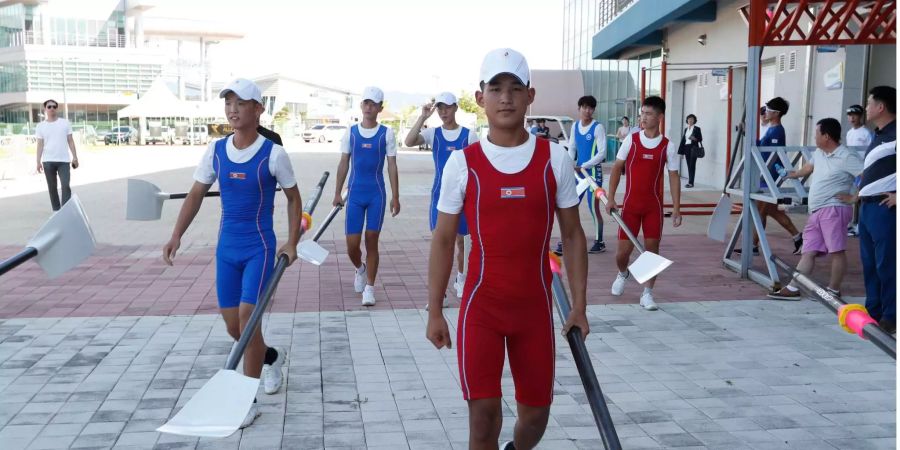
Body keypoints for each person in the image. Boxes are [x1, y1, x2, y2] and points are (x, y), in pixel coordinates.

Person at [426, 48, 588, 450]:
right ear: (479, 98)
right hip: (481, 308)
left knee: (535, 419)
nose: (506, 98)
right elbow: (444, 240)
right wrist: (434, 311)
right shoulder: (462, 164)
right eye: (495, 88)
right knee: (484, 419)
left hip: (534, 309)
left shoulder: (555, 158)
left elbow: (573, 235)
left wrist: (580, 306)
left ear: (530, 96)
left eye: (515, 88)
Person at [162, 78, 300, 428]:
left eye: (241, 103)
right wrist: (177, 234)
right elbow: (195, 195)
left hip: (260, 248)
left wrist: (292, 241)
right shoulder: (216, 150)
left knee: (247, 322)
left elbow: (294, 198)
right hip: (226, 250)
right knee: (234, 328)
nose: (232, 109)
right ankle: (271, 357)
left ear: (258, 109)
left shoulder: (274, 153)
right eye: (228, 103)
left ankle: (246, 401)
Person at [768, 118, 863, 300]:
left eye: (817, 133)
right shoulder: (819, 153)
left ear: (826, 136)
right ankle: (794, 288)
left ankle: (833, 290)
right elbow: (807, 169)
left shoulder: (847, 156)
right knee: (808, 250)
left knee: (837, 250)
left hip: (834, 209)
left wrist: (853, 198)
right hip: (816, 211)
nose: (814, 136)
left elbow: (866, 176)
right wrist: (791, 174)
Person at [605, 96, 682, 311]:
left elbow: (674, 177)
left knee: (651, 252)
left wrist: (676, 208)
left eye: (648, 114)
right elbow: (617, 169)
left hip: (653, 208)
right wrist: (611, 198)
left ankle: (647, 293)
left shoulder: (668, 146)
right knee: (622, 254)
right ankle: (623, 273)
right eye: (642, 113)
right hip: (630, 206)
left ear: (659, 117)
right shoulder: (631, 140)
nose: (643, 117)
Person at [404, 92, 478, 304]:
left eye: (447, 107)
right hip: (440, 195)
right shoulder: (433, 134)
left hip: (464, 196)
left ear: (455, 108)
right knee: (440, 244)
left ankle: (461, 279)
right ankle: (440, 293)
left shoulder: (469, 135)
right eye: (440, 108)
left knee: (462, 243)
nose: (444, 112)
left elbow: (477, 167)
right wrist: (422, 117)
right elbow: (408, 141)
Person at [332, 86, 401, 306]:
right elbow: (344, 163)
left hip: (376, 194)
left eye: (374, 104)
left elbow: (391, 165)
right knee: (351, 245)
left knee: (372, 241)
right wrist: (337, 192)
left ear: (380, 108)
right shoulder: (350, 132)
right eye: (366, 103)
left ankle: (369, 288)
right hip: (354, 194)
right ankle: (360, 269)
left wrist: (395, 196)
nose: (369, 107)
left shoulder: (387, 133)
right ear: (361, 106)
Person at [852, 86, 895, 334]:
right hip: (867, 208)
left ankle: (891, 315)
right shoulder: (878, 135)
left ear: (881, 107)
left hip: (884, 208)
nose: (865, 108)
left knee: (886, 264)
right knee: (869, 263)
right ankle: (874, 312)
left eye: (869, 103)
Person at [737, 97, 804, 255]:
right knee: (771, 211)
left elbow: (772, 154)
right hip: (766, 173)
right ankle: (798, 237)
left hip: (770, 175)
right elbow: (760, 146)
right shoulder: (771, 129)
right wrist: (747, 132)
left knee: (760, 211)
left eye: (768, 109)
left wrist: (772, 175)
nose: (765, 112)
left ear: (777, 113)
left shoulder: (778, 130)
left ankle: (753, 246)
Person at [555, 95, 607, 255]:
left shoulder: (598, 127)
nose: (587, 110)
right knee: (569, 206)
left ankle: (600, 241)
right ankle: (566, 240)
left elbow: (602, 153)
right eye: (584, 107)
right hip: (578, 175)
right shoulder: (575, 126)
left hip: (593, 174)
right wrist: (569, 164)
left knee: (593, 208)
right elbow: (571, 148)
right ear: (579, 109)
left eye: (590, 108)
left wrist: (583, 165)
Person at [35, 99, 79, 211]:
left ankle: (65, 210)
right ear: (45, 109)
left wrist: (75, 157)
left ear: (57, 108)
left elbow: (70, 141)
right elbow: (40, 144)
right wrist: (38, 162)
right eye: (49, 107)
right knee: (52, 188)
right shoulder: (40, 126)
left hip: (64, 161)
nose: (52, 109)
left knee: (65, 185)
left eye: (54, 106)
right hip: (48, 161)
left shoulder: (65, 123)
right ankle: (56, 210)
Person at [845, 104, 872, 237]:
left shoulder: (866, 133)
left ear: (861, 116)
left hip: (863, 169)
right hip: (852, 170)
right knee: (851, 197)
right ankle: (850, 224)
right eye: (850, 115)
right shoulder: (849, 133)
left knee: (861, 197)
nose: (852, 118)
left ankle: (861, 226)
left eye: (855, 115)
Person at [678, 114, 704, 188]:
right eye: (689, 119)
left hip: (693, 148)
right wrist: (681, 152)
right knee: (689, 165)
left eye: (692, 119)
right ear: (687, 120)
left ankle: (691, 183)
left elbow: (700, 139)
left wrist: (694, 138)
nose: (690, 120)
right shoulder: (686, 129)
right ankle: (690, 181)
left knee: (692, 165)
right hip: (686, 148)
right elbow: (683, 140)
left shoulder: (697, 128)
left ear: (694, 120)